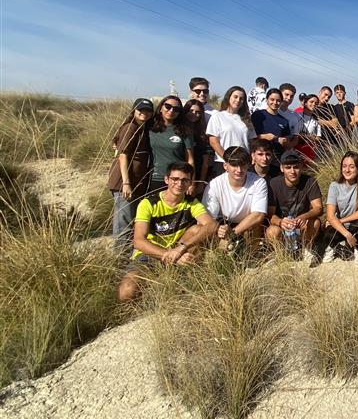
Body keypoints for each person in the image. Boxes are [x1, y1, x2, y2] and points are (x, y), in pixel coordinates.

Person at [118, 161, 215, 302]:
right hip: (151, 254)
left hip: (178, 249)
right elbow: (139, 241)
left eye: (184, 180)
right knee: (126, 293)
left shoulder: (191, 203)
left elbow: (211, 225)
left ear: (190, 183)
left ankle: (179, 277)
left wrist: (181, 248)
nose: (179, 184)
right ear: (166, 179)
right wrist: (170, 255)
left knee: (198, 229)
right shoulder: (149, 203)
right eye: (175, 179)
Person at [107, 98, 154, 252]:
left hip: (135, 182)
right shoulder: (130, 128)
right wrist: (126, 183)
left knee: (130, 220)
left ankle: (126, 254)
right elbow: (123, 156)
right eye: (141, 110)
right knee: (124, 223)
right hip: (124, 183)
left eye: (148, 111)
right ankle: (120, 257)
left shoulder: (143, 129)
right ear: (134, 110)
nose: (144, 113)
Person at [203, 146, 268, 251]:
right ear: (225, 166)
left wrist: (232, 234)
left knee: (255, 225)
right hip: (223, 225)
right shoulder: (215, 184)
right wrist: (219, 229)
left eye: (242, 165)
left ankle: (251, 258)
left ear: (248, 165)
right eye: (234, 165)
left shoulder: (259, 182)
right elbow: (209, 217)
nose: (239, 170)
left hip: (246, 225)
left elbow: (258, 214)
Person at [265, 150, 323, 262]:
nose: (292, 171)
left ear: (301, 167)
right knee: (272, 231)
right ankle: (281, 253)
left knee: (315, 222)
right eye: (288, 167)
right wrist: (281, 222)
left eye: (296, 167)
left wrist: (305, 216)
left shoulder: (310, 181)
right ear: (282, 168)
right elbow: (270, 214)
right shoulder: (274, 183)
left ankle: (306, 248)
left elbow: (318, 208)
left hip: (301, 226)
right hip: (283, 227)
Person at [322, 151, 358, 268]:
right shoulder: (334, 186)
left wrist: (339, 221)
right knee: (329, 232)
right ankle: (332, 247)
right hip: (343, 226)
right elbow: (330, 216)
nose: (347, 170)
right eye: (344, 166)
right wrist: (347, 234)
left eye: (352, 167)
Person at [207, 86, 257, 179]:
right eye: (235, 97)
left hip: (242, 164)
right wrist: (228, 159)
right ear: (228, 97)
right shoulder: (217, 117)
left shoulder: (246, 119)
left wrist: (251, 157)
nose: (238, 100)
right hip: (223, 162)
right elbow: (214, 142)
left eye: (241, 98)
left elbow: (252, 141)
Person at [149, 95, 194, 193]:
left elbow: (190, 159)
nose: (171, 110)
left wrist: (191, 183)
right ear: (161, 108)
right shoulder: (149, 128)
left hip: (177, 180)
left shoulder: (184, 130)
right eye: (168, 106)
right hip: (154, 178)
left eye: (176, 109)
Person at [183, 99, 212, 196]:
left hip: (198, 175)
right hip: (179, 174)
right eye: (191, 111)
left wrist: (200, 183)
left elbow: (205, 162)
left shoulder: (203, 134)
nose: (194, 114)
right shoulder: (178, 130)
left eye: (198, 112)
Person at [252, 87, 291, 158]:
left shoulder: (284, 121)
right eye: (272, 100)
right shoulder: (258, 115)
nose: (275, 103)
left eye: (278, 100)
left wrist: (285, 142)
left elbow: (287, 143)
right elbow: (250, 137)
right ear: (267, 100)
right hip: (260, 157)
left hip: (277, 158)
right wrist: (264, 137)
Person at [297, 93, 322, 161]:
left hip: (309, 151)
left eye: (316, 103)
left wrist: (306, 137)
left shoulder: (316, 120)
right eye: (311, 102)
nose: (314, 104)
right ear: (305, 103)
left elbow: (318, 139)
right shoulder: (297, 116)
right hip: (295, 151)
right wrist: (310, 137)